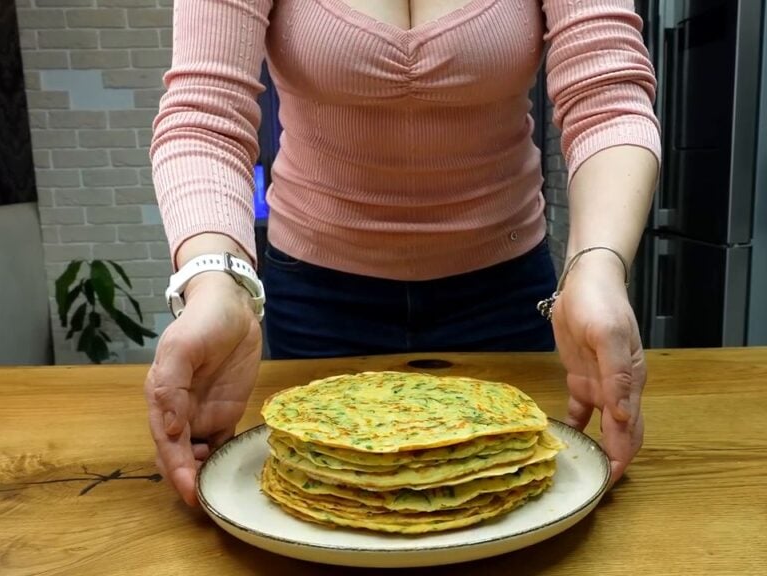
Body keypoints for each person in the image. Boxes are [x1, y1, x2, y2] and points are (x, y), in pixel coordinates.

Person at [145, 0, 660, 507]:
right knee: (333, 502)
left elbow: (606, 99)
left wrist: (597, 267)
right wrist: (214, 281)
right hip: (315, 296)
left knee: (505, 501)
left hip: (505, 293)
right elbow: (205, 115)